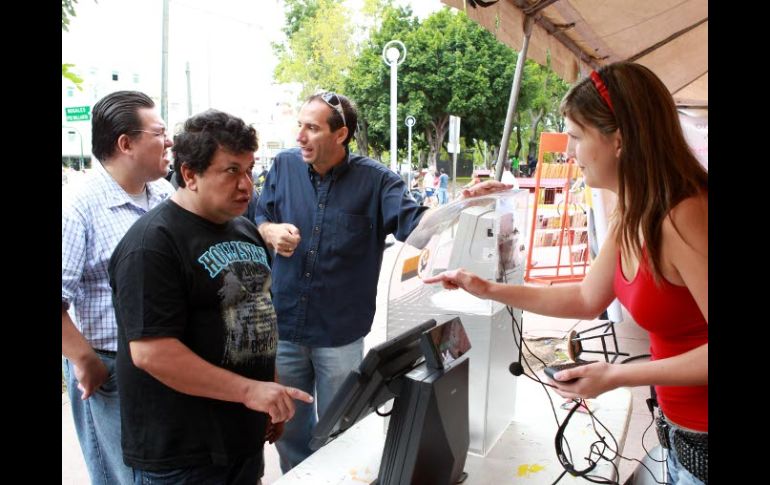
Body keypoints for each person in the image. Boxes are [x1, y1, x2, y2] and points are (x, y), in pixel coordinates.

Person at [423, 62, 707, 485]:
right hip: (676, 434)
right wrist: (485, 288)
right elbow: (585, 298)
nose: (568, 153)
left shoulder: (685, 214)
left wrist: (615, 376)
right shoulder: (632, 211)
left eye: (576, 137)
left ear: (619, 140)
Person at [254, 91, 508, 472]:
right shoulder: (284, 167)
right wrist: (270, 231)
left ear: (340, 135)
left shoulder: (377, 181)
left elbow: (418, 228)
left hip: (339, 334)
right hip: (285, 325)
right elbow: (260, 216)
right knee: (289, 426)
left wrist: (462, 203)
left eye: (312, 128)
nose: (300, 137)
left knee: (341, 429)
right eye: (300, 126)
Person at [108, 109, 314, 484]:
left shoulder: (245, 230)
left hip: (242, 441)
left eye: (250, 170)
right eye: (231, 170)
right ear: (189, 174)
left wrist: (271, 390)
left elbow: (257, 316)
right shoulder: (152, 245)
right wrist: (251, 391)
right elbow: (152, 353)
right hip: (182, 456)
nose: (246, 185)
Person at [61, 90, 175, 485]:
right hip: (109, 366)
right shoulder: (78, 207)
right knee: (122, 475)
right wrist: (86, 360)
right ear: (126, 144)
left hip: (161, 360)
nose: (169, 141)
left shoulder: (163, 195)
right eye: (159, 132)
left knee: (157, 472)